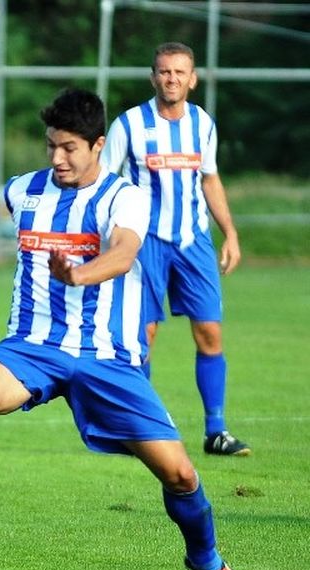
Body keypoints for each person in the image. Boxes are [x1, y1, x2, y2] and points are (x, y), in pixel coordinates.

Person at [0, 89, 257, 570]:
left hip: (107, 359)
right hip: (32, 346)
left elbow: (125, 251)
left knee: (181, 477)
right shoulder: (24, 191)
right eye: (51, 146)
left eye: (69, 148)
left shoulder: (122, 197)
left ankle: (208, 561)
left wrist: (79, 273)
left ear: (98, 145)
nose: (57, 158)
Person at [102, 42, 249, 456]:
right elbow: (104, 182)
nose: (172, 79)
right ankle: (142, 431)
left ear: (193, 78)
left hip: (193, 240)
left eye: (179, 72)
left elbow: (210, 180)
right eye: (164, 72)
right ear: (153, 77)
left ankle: (215, 432)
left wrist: (231, 233)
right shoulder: (128, 125)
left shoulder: (202, 124)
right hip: (143, 241)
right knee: (143, 335)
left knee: (210, 333)